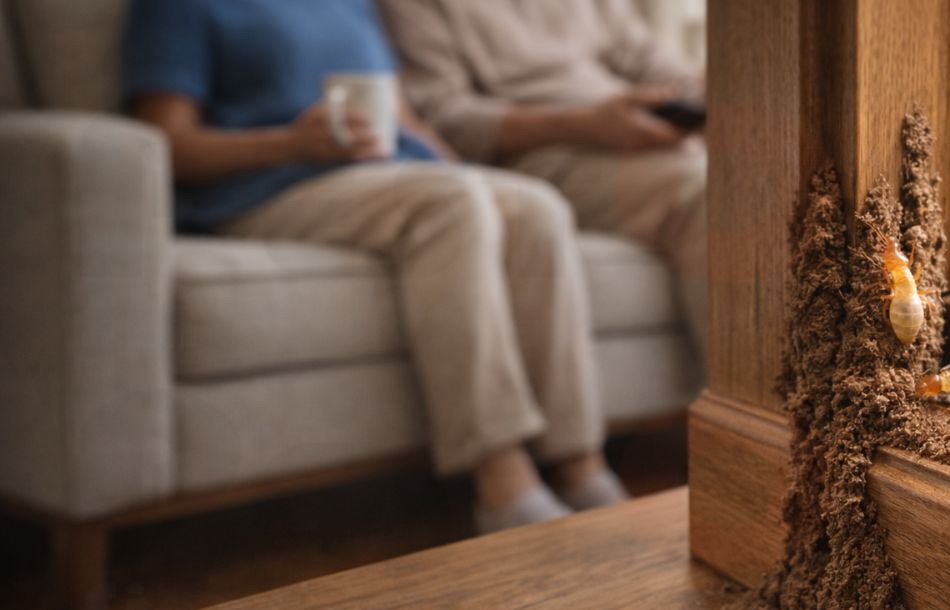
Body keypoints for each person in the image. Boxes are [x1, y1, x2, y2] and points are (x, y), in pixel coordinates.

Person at [124, 0, 630, 533]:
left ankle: (579, 464)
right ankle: (501, 478)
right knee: (449, 205)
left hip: (383, 174)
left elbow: (402, 116)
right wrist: (289, 143)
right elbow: (166, 140)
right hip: (269, 183)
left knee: (534, 206)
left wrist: (472, 179)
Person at [378, 0, 709, 360]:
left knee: (759, 182)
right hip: (541, 154)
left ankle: (766, 405)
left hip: (646, 140)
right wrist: (584, 124)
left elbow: (656, 64)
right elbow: (442, 119)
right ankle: (754, 403)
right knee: (714, 194)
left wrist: (695, 100)